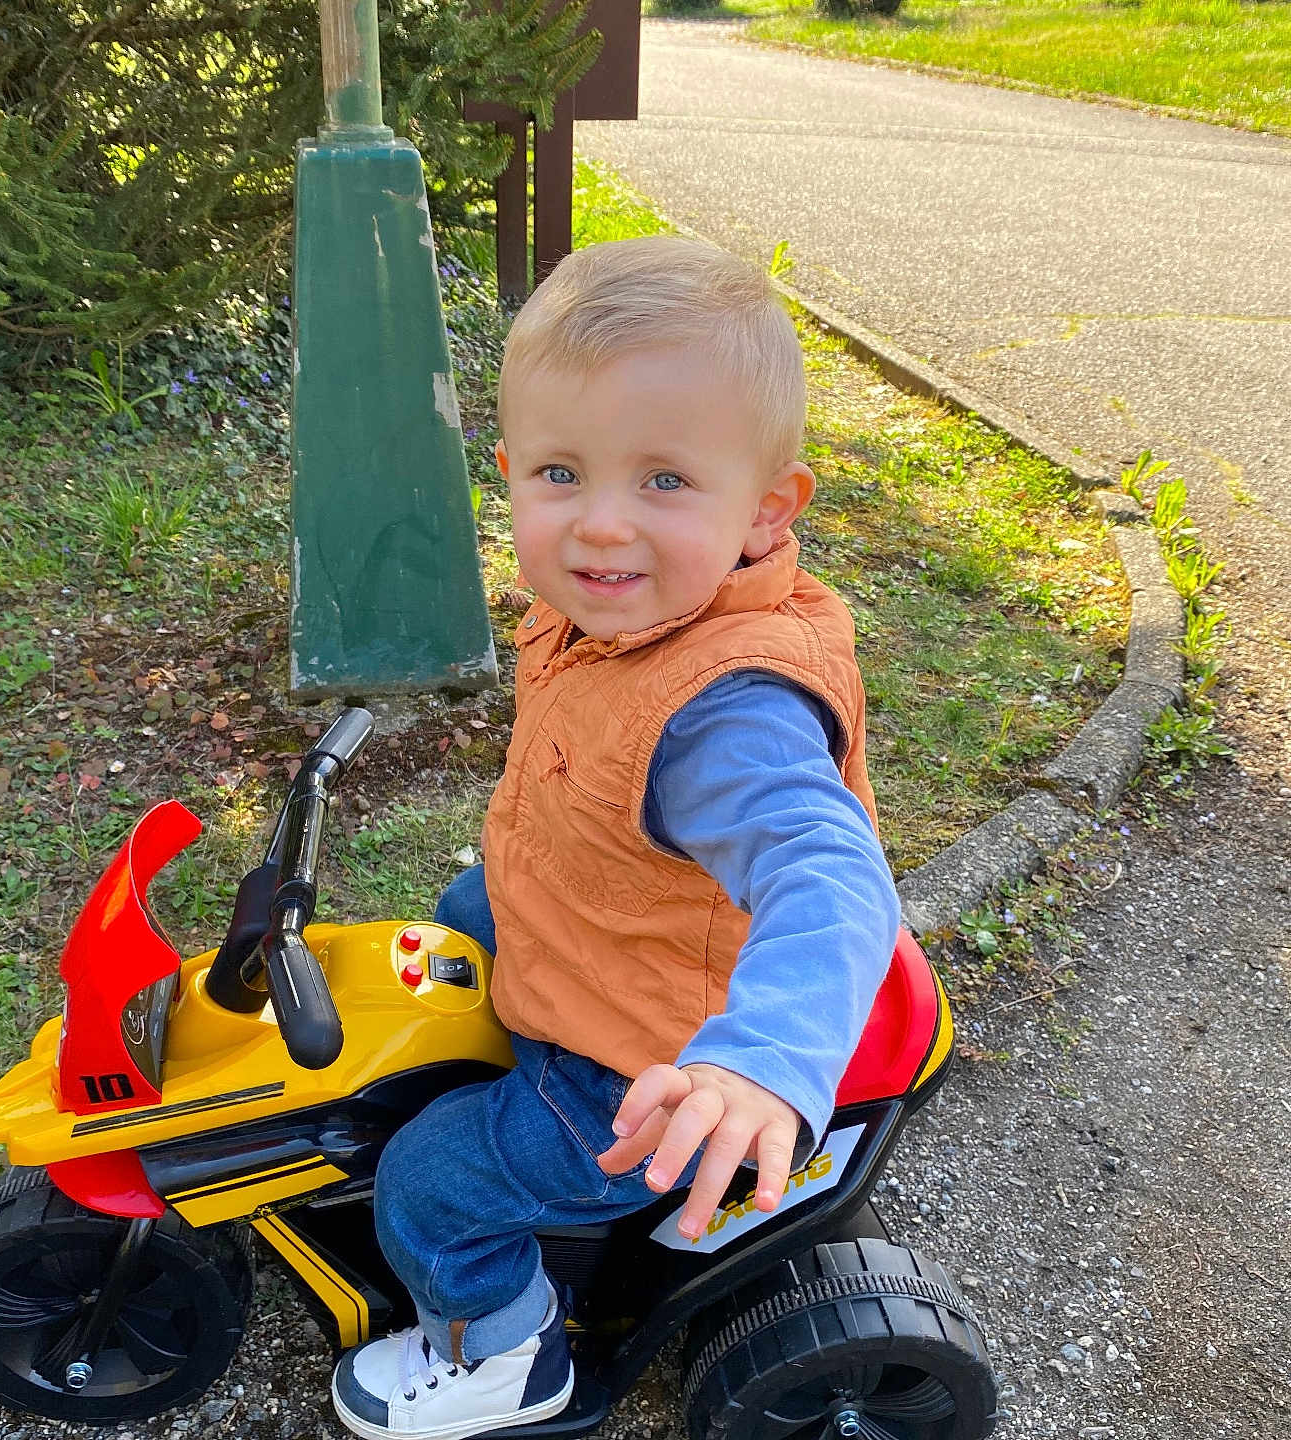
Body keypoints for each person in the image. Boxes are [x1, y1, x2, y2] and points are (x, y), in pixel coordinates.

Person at [331, 236, 900, 1440]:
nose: (598, 528)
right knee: (468, 903)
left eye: (663, 482)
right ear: (506, 474)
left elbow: (827, 871)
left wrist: (759, 1061)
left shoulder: (729, 714)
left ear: (767, 509)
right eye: (558, 473)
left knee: (430, 1181)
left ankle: (505, 1360)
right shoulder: (627, 606)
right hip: (605, 913)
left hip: (646, 1054)